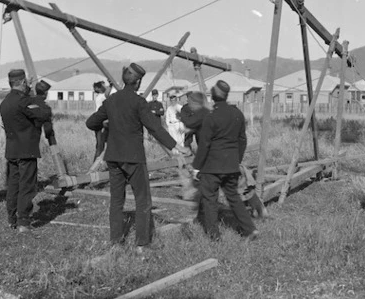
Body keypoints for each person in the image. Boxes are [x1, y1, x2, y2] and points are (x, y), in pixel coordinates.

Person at [86, 63, 188, 253]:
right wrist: (175, 146)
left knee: (117, 201)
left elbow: (91, 123)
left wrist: (108, 123)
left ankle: (116, 243)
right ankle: (142, 244)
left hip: (113, 158)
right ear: (139, 81)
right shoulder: (139, 102)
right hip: (133, 158)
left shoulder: (111, 101)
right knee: (143, 200)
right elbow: (155, 128)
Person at [191, 80, 258, 242]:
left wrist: (196, 167)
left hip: (211, 167)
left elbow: (204, 144)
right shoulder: (237, 114)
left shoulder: (210, 117)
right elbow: (242, 140)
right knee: (234, 198)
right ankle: (250, 229)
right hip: (231, 166)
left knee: (210, 200)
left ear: (213, 97)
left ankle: (214, 236)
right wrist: (237, 160)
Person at [0, 69, 53, 233]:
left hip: (12, 150)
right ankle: (24, 221)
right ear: (23, 82)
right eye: (26, 83)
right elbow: (44, 114)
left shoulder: (5, 102)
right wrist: (35, 96)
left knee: (13, 185)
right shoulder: (23, 101)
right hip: (26, 150)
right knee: (27, 186)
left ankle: (12, 218)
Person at [92, 81, 109, 164]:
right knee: (100, 145)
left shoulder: (100, 96)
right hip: (101, 123)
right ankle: (95, 166)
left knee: (100, 144)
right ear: (98, 88)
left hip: (100, 122)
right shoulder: (102, 97)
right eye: (103, 85)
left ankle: (96, 164)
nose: (104, 86)